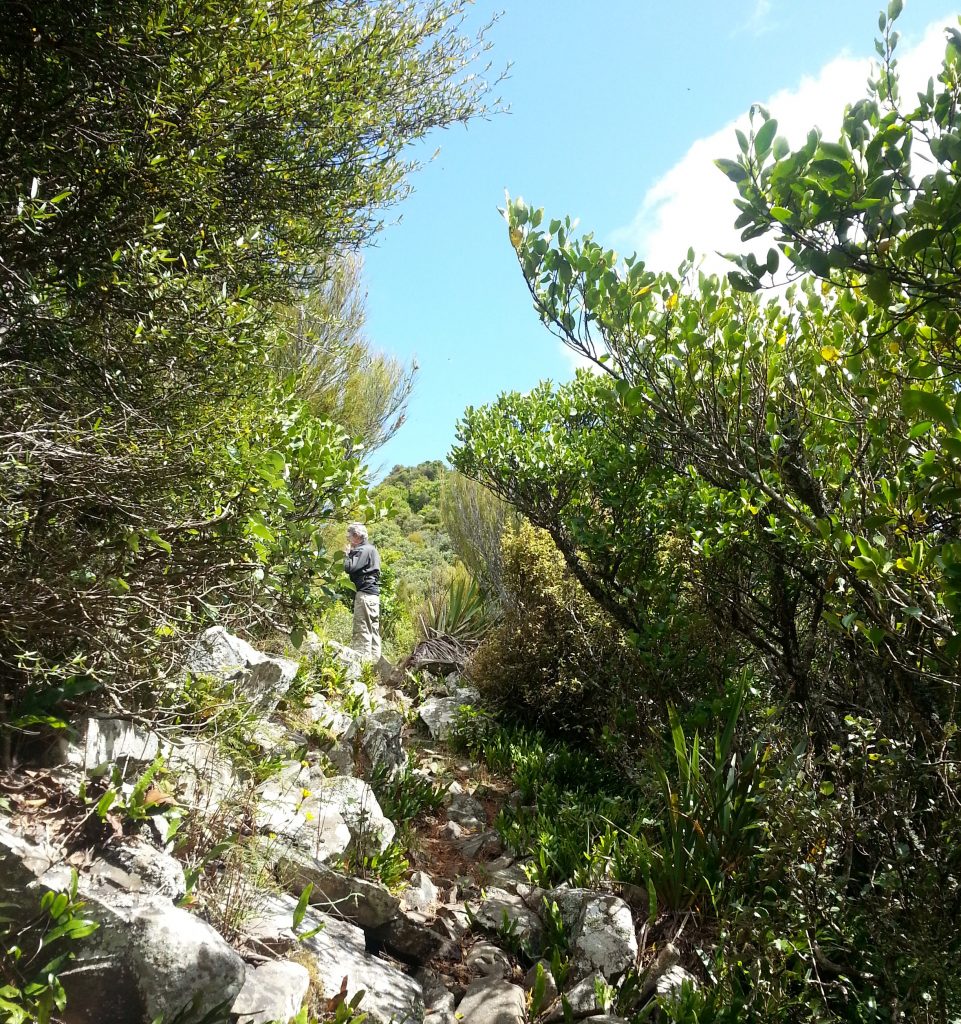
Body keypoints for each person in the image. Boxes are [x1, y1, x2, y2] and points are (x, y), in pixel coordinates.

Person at [343, 523, 381, 661]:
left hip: (364, 595)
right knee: (373, 630)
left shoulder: (362, 550)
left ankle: (362, 663)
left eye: (350, 537)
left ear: (357, 535)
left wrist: (347, 555)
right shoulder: (372, 550)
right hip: (374, 596)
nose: (349, 540)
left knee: (362, 628)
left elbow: (349, 568)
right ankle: (376, 664)